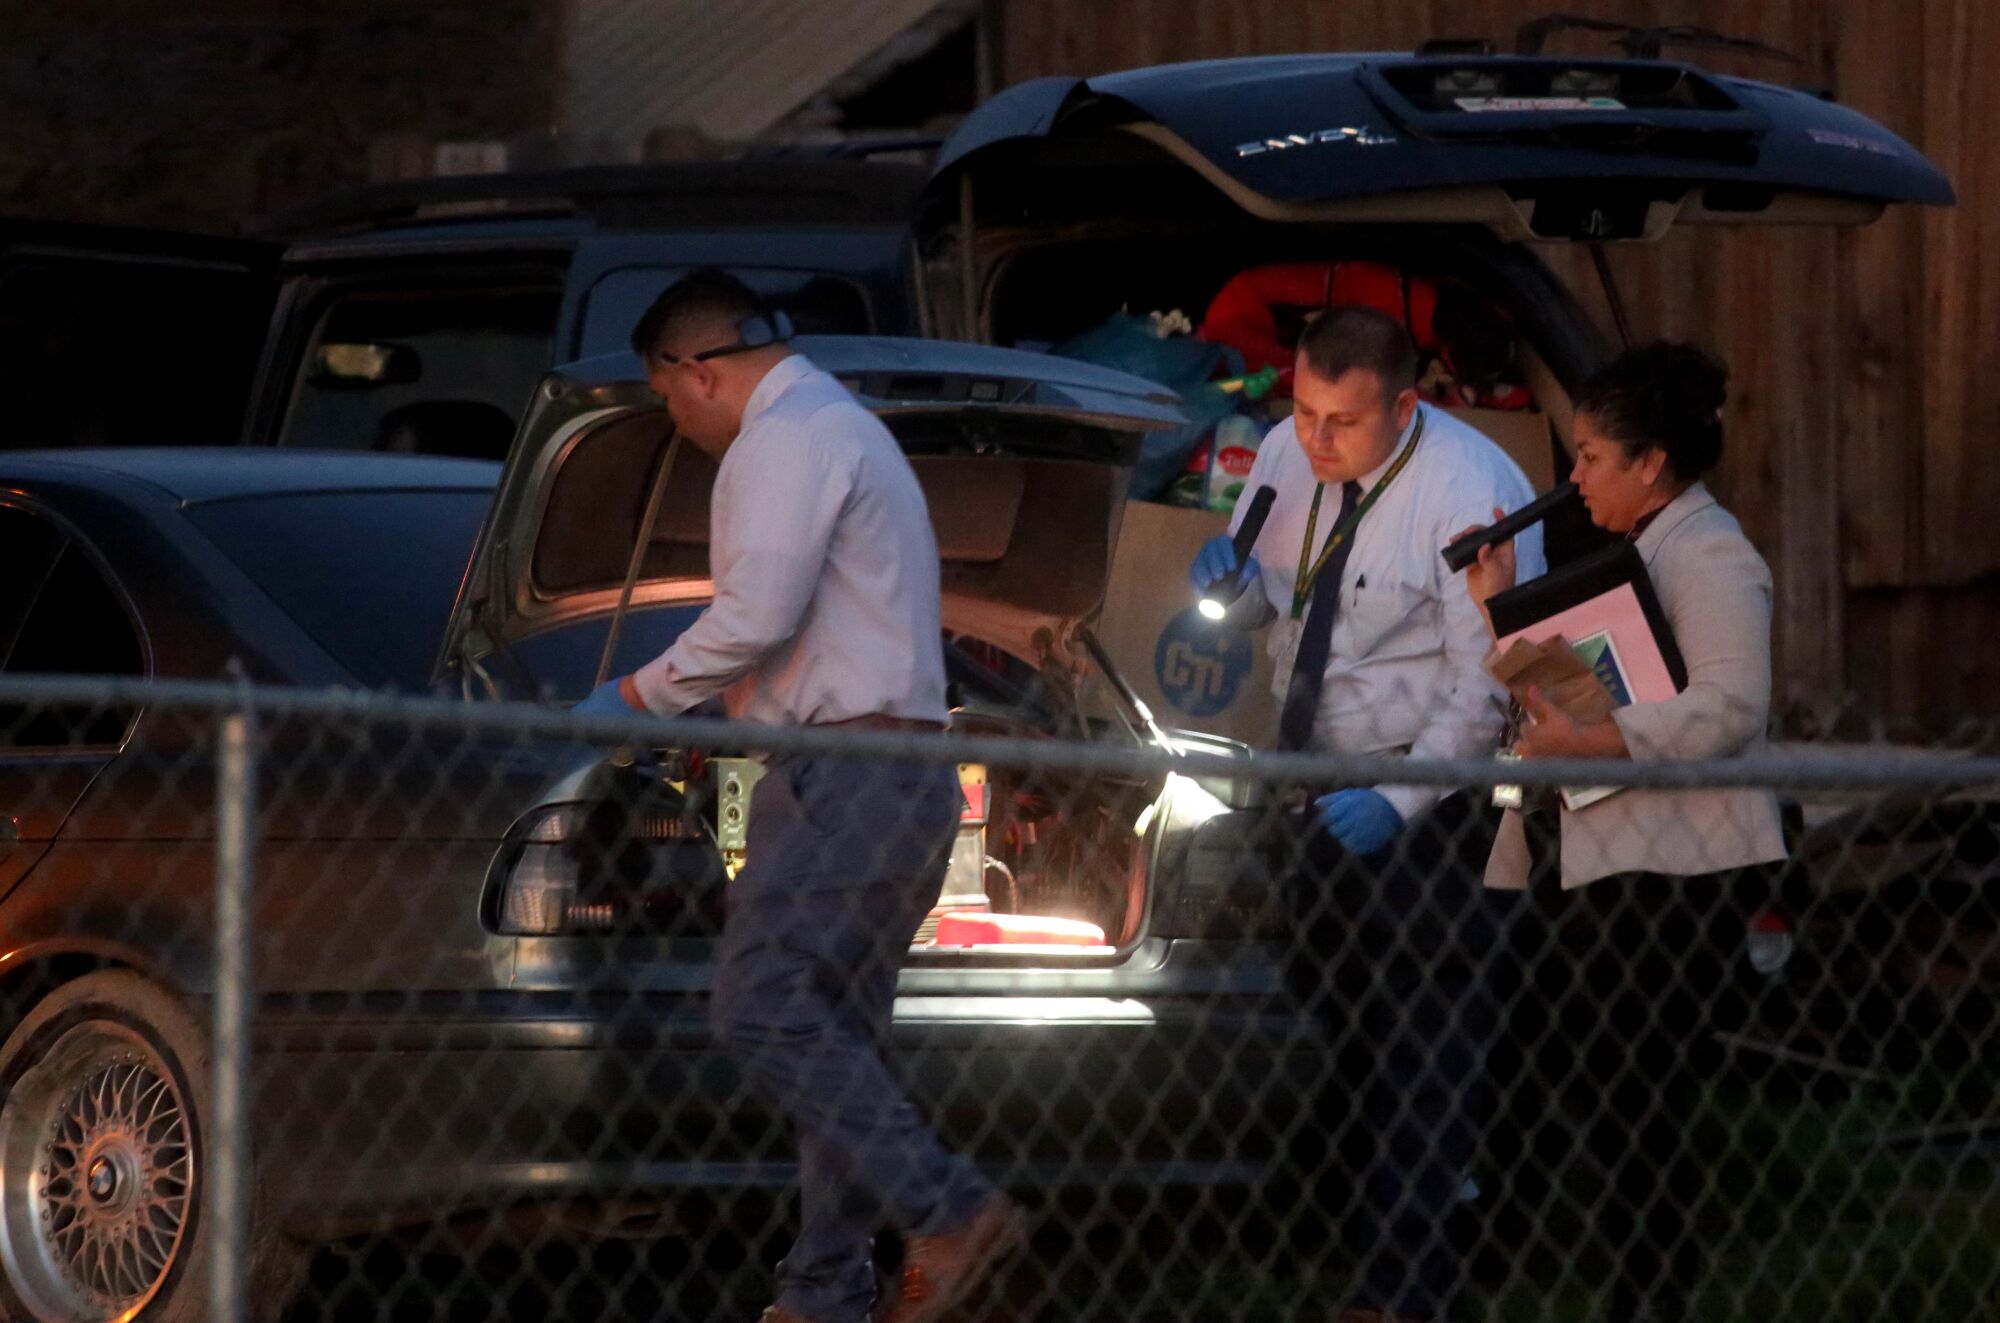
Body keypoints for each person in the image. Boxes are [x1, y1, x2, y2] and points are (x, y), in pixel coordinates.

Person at [573, 269, 1023, 1323]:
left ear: (697, 369)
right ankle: (823, 1293)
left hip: (843, 774)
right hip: (889, 769)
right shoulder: (841, 427)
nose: (674, 421)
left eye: (665, 396)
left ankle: (947, 1208)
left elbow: (756, 614)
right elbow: (803, 631)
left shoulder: (782, 440)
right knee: (837, 1034)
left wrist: (633, 699)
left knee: (761, 1003)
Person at [1188, 306, 1544, 1323]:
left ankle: (1409, 1288)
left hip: (1423, 800)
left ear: (1403, 403)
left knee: (1425, 1044)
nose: (1314, 441)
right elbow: (1289, 606)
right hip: (1309, 777)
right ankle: (1364, 1236)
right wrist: (1235, 585)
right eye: (1301, 410)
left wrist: (1400, 799)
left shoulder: (1469, 489)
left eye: (1340, 421)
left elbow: (1483, 682)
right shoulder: (1279, 457)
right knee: (1341, 1027)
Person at [1458, 342, 1789, 1322]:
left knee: (1634, 1102)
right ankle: (1508, 1251)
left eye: (1593, 456)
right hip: (1597, 861)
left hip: (1671, 875)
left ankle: (1646, 1294)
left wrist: (1598, 741)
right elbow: (1576, 694)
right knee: (1551, 1069)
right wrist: (1497, 608)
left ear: (1649, 464)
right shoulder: (1636, 552)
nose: (1574, 476)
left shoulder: (1711, 553)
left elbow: (1729, 704)